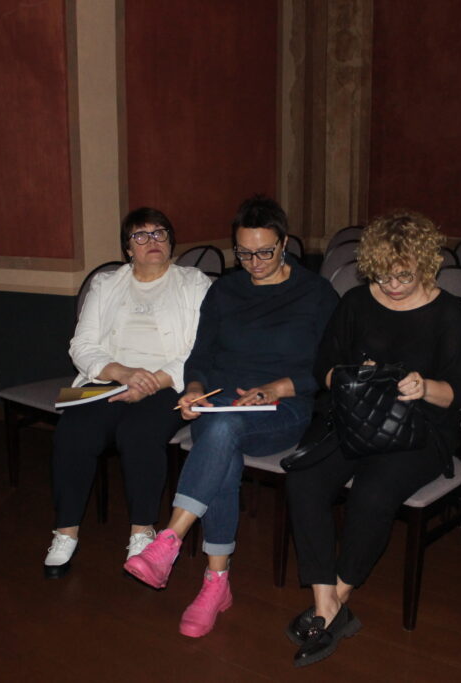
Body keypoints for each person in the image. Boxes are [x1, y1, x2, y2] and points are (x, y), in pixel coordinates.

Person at [123, 195, 339, 638]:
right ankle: (214, 583)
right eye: (244, 253)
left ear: (285, 244)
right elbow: (201, 355)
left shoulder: (315, 294)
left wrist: (277, 388)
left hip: (282, 407)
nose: (254, 263)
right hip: (221, 402)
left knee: (220, 435)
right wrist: (195, 389)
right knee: (222, 438)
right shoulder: (224, 291)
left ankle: (171, 541)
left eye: (265, 252)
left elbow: (332, 367)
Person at [284, 211, 461, 667]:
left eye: (404, 276)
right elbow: (324, 368)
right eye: (384, 275)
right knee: (304, 479)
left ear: (425, 266)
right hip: (357, 418)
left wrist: (422, 386)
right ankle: (327, 604)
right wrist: (351, 377)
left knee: (373, 491)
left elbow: (460, 393)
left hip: (421, 430)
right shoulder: (356, 302)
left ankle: (336, 598)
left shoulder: (447, 312)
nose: (392, 285)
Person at [43, 207, 211, 579]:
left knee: (139, 433)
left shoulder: (194, 283)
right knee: (74, 431)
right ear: (128, 248)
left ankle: (141, 530)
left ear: (170, 242)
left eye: (160, 233)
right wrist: (121, 373)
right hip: (108, 377)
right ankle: (65, 532)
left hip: (167, 383)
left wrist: (154, 380)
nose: (152, 241)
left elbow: (201, 348)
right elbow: (81, 345)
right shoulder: (106, 284)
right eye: (141, 235)